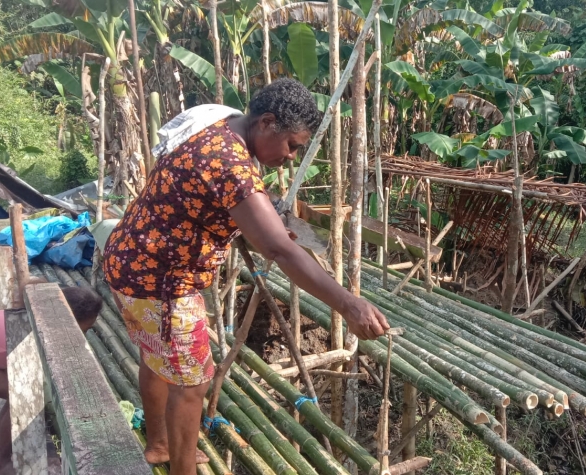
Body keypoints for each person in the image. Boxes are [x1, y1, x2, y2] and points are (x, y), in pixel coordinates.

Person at [102, 78, 390, 474]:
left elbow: (213, 201)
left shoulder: (218, 124)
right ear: (267, 122)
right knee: (192, 382)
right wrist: (349, 304)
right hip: (163, 282)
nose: (291, 157)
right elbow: (278, 249)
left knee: (157, 357)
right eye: (291, 145)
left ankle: (160, 445)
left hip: (129, 260)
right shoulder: (231, 165)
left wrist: (258, 221)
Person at [0, 285, 103, 475]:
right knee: (25, 397)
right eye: (85, 329)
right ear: (70, 320)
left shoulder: (35, 315)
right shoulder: (39, 331)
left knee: (19, 394)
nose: (84, 335)